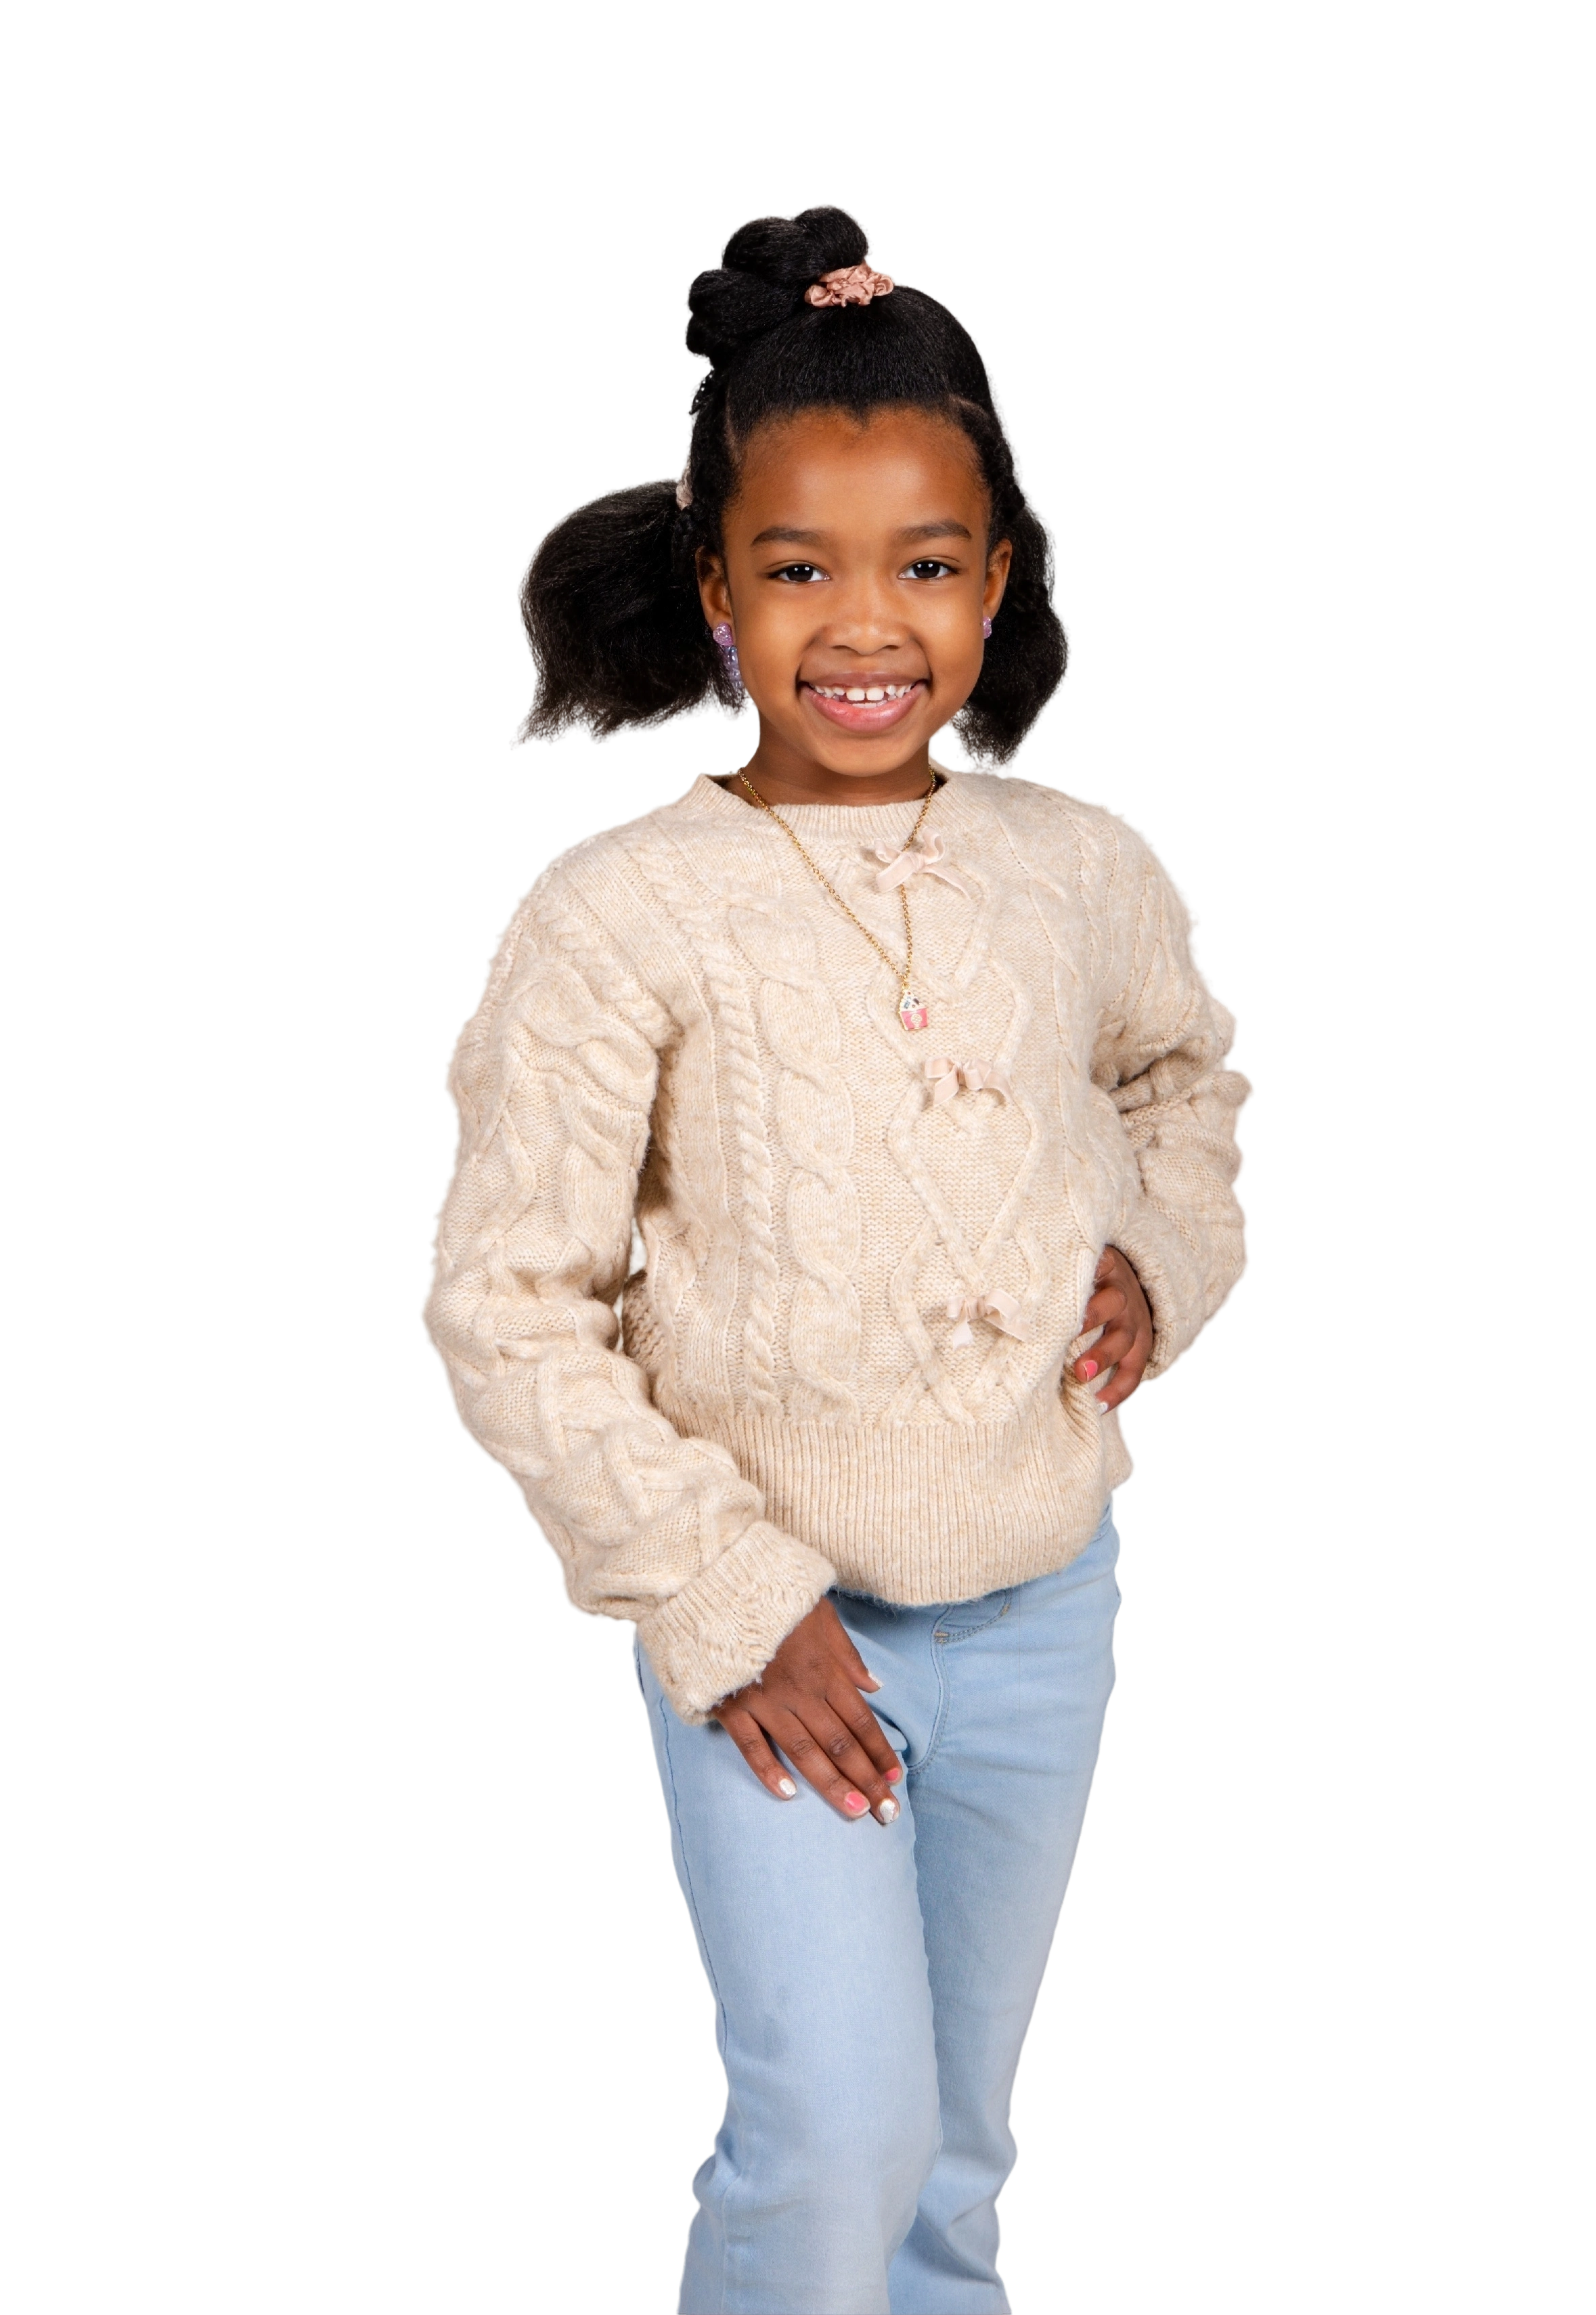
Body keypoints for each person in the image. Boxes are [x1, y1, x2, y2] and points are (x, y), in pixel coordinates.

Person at [417, 200, 1256, 2315]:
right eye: (799, 568)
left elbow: (1184, 1080)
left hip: (1046, 1598)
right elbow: (509, 1299)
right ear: (715, 587)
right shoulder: (621, 917)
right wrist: (726, 1596)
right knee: (839, 2133)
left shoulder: (1080, 868)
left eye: (927, 565)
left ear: (1000, 580)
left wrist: (1160, 1252)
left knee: (957, 2148)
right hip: (785, 1624)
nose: (865, 625)